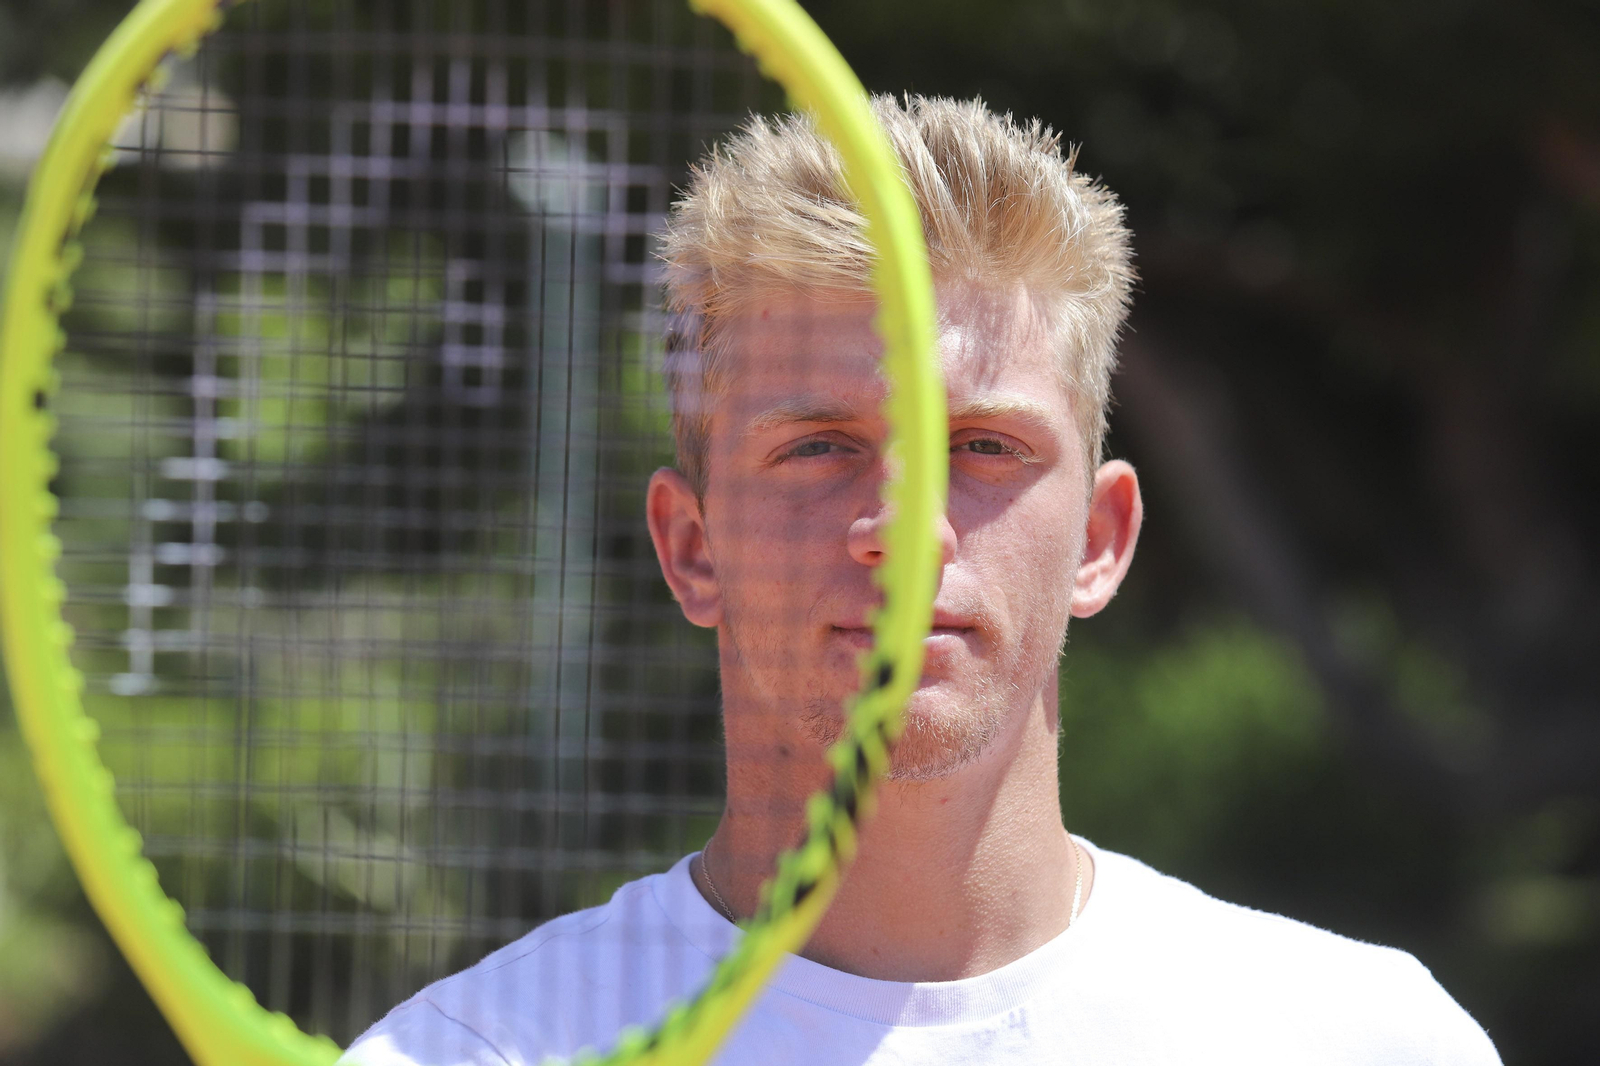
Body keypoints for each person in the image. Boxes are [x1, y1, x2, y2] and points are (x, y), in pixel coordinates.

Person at [343, 95, 1501, 1066]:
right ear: (690, 546)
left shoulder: (1362, 1039)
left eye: (985, 448)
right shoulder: (470, 1052)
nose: (904, 532)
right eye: (819, 447)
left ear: (1101, 537)